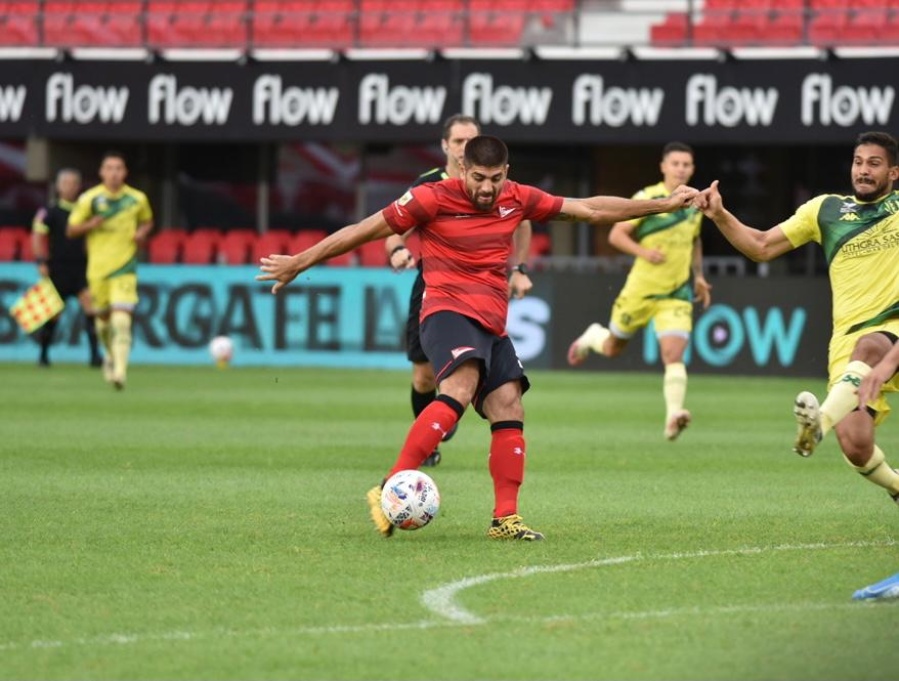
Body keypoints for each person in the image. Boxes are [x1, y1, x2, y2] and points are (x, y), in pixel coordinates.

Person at [258, 135, 698, 540]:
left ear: (506, 172)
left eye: (496, 178)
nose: (487, 188)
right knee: (461, 385)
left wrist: (663, 206)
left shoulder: (516, 197)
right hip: (446, 311)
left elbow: (590, 209)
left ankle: (505, 518)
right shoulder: (430, 198)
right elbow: (364, 230)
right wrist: (300, 261)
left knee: (509, 404)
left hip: (492, 321)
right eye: (479, 178)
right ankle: (389, 487)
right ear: (462, 170)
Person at [692, 130, 899, 509]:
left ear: (894, 173)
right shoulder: (825, 210)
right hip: (848, 344)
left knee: (870, 345)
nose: (864, 171)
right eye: (858, 162)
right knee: (856, 445)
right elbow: (761, 246)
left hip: (891, 331)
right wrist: (720, 215)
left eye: (875, 164)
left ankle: (817, 424)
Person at [384, 113, 535, 467]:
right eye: (457, 142)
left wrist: (521, 268)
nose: (464, 147)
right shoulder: (427, 187)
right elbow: (393, 228)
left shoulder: (497, 185)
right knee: (422, 375)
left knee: (489, 392)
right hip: (435, 285)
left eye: (471, 140)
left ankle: (438, 423)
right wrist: (397, 250)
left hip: (483, 290)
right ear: (445, 146)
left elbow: (524, 220)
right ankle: (429, 435)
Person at [566, 142, 712, 441]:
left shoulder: (696, 204)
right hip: (641, 290)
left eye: (686, 164)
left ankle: (674, 414)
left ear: (692, 168)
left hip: (676, 293)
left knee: (673, 354)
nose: (681, 168)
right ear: (663, 167)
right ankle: (593, 336)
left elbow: (695, 241)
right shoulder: (648, 198)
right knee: (612, 348)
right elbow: (617, 235)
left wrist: (698, 276)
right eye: (675, 163)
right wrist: (643, 253)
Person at [67, 151, 154, 390]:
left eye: (118, 168)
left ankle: (120, 372)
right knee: (104, 323)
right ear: (101, 172)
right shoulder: (90, 199)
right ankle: (109, 355)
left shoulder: (137, 199)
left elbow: (148, 221)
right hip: (97, 270)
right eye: (109, 168)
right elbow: (71, 229)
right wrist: (90, 225)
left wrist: (141, 233)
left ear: (125, 172)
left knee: (122, 320)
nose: (114, 173)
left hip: (125, 267)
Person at [31, 168, 102, 368]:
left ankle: (95, 355)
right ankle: (43, 355)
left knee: (91, 308)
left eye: (73, 183)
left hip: (82, 269)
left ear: (79, 187)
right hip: (58, 269)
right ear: (58, 186)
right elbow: (37, 236)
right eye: (65, 183)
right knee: (54, 313)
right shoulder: (50, 211)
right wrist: (41, 260)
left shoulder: (86, 211)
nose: (69, 187)